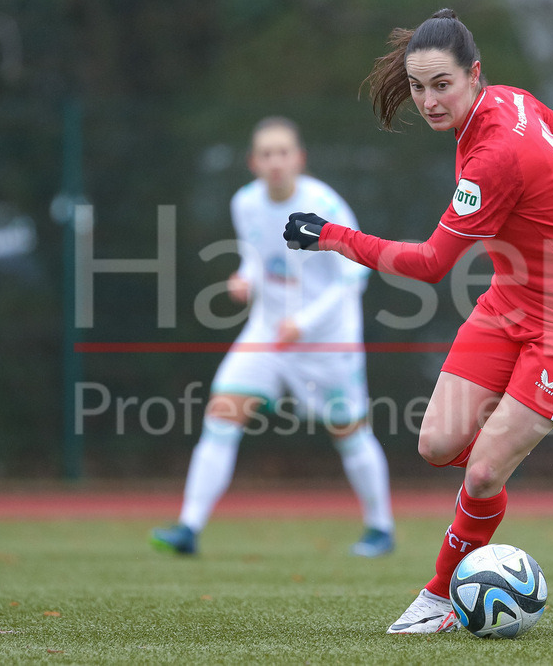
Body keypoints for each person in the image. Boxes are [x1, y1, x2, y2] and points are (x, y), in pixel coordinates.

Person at [283, 9, 553, 634]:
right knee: (437, 444)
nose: (427, 100)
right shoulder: (510, 103)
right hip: (512, 296)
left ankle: (442, 592)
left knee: (479, 469)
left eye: (441, 84)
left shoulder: (496, 152)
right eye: (418, 86)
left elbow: (427, 265)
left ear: (475, 75)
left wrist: (330, 236)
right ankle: (488, 493)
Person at [151, 117, 395, 557]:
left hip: (328, 341)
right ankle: (189, 527)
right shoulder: (245, 203)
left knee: (350, 431)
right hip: (267, 333)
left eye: (283, 152)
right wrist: (245, 279)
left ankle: (380, 529)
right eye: (266, 154)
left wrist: (305, 323)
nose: (276, 162)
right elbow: (256, 257)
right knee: (222, 411)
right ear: (253, 163)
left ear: (299, 158)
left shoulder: (326, 205)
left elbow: (354, 276)